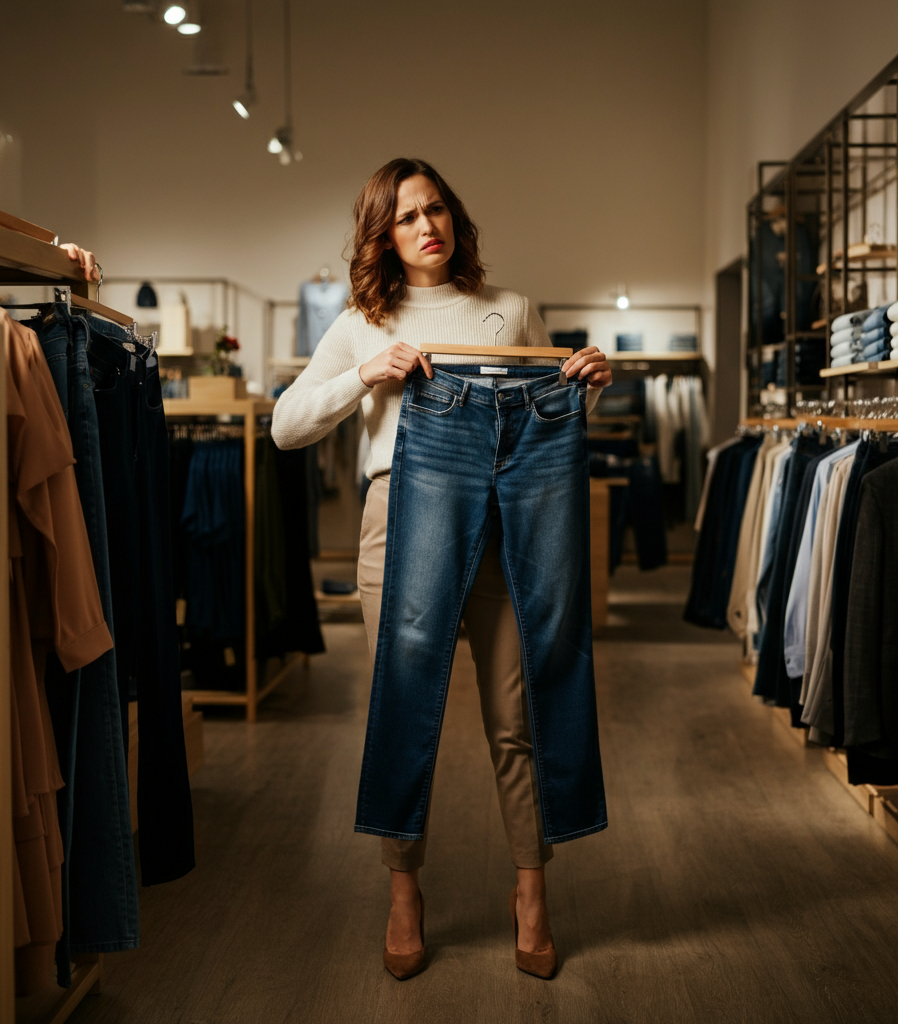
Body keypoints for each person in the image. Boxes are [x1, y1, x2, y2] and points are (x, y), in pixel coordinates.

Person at [272, 157, 612, 980]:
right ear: (383, 236)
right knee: (403, 698)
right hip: (398, 519)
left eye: (437, 209)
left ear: (454, 217)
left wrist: (586, 389)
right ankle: (403, 893)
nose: (428, 226)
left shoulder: (509, 310)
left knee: (515, 713)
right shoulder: (363, 320)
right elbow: (286, 426)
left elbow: (529, 422)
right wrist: (365, 374)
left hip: (504, 515)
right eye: (407, 216)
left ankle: (531, 893)